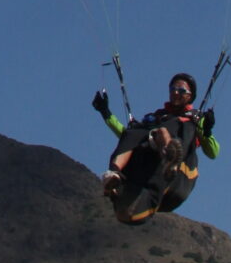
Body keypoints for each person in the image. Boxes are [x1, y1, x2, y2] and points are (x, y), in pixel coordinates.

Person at [92, 72, 218, 224]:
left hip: (181, 176)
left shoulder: (195, 118)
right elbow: (127, 136)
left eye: (181, 90)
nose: (175, 93)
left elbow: (213, 152)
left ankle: (170, 155)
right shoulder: (158, 116)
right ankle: (114, 173)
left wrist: (207, 132)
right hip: (153, 175)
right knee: (135, 133)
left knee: (169, 128)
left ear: (190, 96)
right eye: (173, 89)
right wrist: (106, 113)